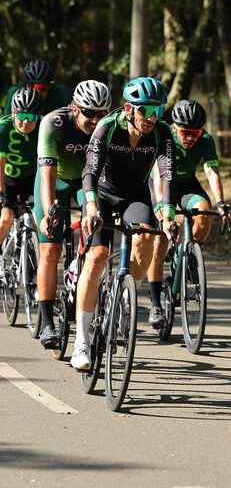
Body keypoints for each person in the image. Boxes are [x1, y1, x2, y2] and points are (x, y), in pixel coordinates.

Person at [71, 76, 176, 370]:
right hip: (101, 194)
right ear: (130, 109)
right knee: (98, 255)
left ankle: (126, 295)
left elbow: (167, 174)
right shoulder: (107, 126)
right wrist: (91, 205)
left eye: (158, 111)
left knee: (145, 237)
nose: (153, 118)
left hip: (135, 195)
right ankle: (81, 342)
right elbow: (89, 170)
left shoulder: (163, 133)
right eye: (146, 110)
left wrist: (167, 212)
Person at [35, 80, 111, 348]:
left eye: (101, 113)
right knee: (50, 250)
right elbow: (46, 173)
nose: (95, 119)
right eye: (89, 113)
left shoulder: (106, 127)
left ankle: (77, 274)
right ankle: (46, 323)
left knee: (96, 237)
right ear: (75, 109)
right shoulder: (53, 123)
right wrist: (48, 212)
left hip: (85, 184)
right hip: (54, 181)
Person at [146, 99, 231, 328]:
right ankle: (156, 303)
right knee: (158, 243)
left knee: (205, 212)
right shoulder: (162, 135)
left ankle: (187, 254)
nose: (191, 138)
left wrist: (221, 202)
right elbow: (157, 173)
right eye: (186, 132)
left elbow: (211, 171)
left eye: (196, 132)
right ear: (175, 127)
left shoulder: (205, 140)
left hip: (186, 185)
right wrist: (163, 210)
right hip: (161, 185)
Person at [0, 88, 43, 273]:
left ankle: (41, 265)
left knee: (37, 221)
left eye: (31, 117)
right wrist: (0, 192)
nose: (26, 121)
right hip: (7, 180)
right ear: (13, 112)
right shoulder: (3, 127)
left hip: (32, 180)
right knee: (5, 220)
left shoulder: (43, 127)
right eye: (22, 115)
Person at [3, 60, 72, 116]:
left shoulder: (61, 92)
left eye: (42, 87)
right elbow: (6, 121)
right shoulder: (15, 92)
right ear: (26, 85)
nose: (37, 92)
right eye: (32, 86)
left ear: (50, 85)